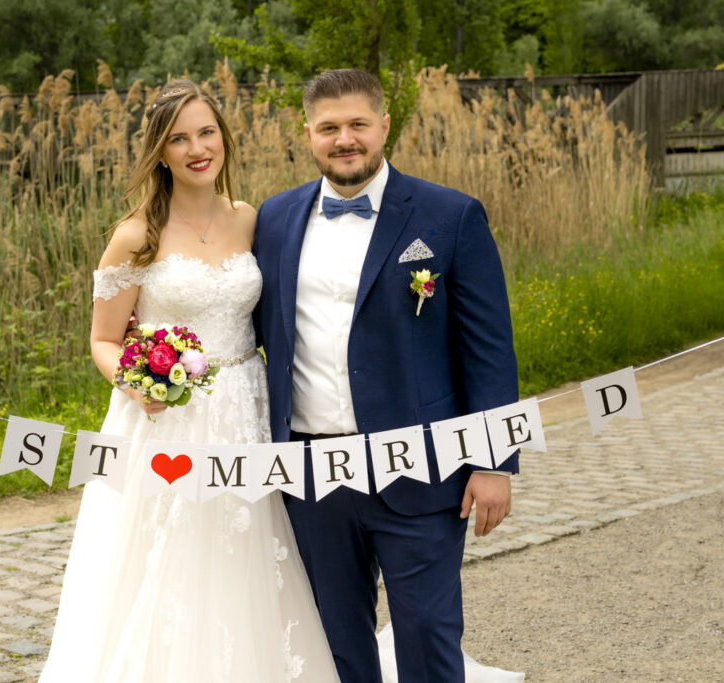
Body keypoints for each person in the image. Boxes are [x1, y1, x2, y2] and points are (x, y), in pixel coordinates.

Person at [37, 80, 342, 683]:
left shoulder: (250, 219)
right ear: (160, 151)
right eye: (179, 139)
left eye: (206, 133)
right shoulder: (136, 235)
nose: (197, 149)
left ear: (223, 137)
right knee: (171, 560)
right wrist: (136, 383)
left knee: (246, 555)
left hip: (248, 411)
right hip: (167, 417)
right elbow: (103, 340)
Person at [253, 68, 522, 683]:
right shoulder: (273, 219)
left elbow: (488, 351)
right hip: (313, 473)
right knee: (335, 645)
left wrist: (493, 462)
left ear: (384, 125)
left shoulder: (450, 215)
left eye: (357, 124)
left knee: (427, 637)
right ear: (308, 133)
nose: (344, 139)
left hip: (420, 468)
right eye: (328, 127)